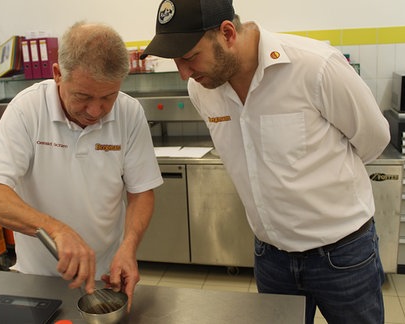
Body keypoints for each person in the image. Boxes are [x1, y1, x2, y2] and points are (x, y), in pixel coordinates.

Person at [141, 0, 390, 323]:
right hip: (271, 258)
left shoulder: (316, 66)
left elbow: (374, 140)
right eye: (176, 60)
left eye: (189, 57)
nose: (184, 72)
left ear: (227, 33)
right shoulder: (202, 89)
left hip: (342, 255)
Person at [0, 22, 163, 310]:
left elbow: (141, 192)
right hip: (39, 279)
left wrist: (129, 247)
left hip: (106, 276)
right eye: (83, 97)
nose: (95, 111)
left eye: (108, 97)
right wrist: (56, 230)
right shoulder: (27, 110)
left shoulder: (129, 112)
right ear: (58, 74)